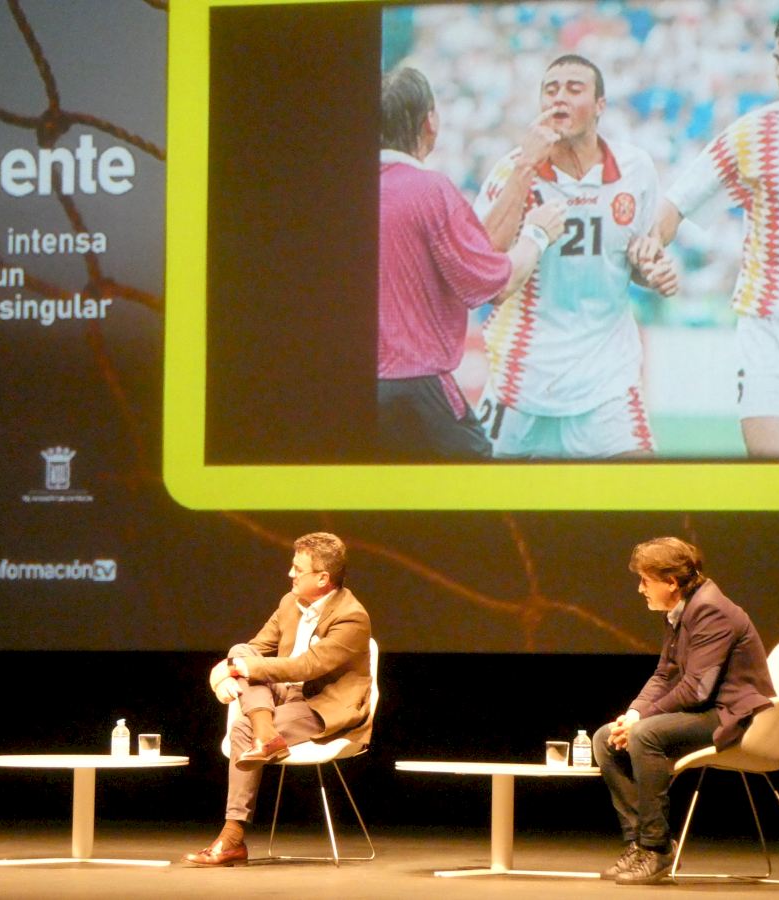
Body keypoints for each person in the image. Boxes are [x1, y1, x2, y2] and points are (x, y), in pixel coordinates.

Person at [636, 2, 779, 458]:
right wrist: (651, 251)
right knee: (773, 471)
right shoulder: (754, 133)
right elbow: (676, 203)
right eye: (778, 59)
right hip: (770, 325)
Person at [472, 54, 679, 459]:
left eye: (573, 89)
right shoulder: (512, 169)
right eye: (550, 90)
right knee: (483, 498)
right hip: (523, 380)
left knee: (646, 492)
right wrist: (526, 166)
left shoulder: (635, 169)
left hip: (607, 380)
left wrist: (652, 270)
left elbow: (637, 257)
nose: (559, 98)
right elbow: (484, 263)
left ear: (600, 105)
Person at [378, 65, 564, 460]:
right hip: (419, 390)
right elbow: (493, 283)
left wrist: (523, 169)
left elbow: (480, 250)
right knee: (477, 493)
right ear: (430, 121)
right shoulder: (429, 190)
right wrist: (537, 234)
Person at [593, 537, 775, 885]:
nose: (640, 589)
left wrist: (642, 722)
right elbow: (665, 674)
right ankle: (638, 843)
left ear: (672, 582)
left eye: (645, 580)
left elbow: (697, 689)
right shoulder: (680, 610)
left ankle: (656, 847)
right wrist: (634, 713)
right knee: (606, 738)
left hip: (731, 713)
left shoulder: (711, 610)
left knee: (645, 735)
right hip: (704, 709)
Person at [183, 532, 372, 867]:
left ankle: (232, 838)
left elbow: (307, 666)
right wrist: (226, 670)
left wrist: (234, 669)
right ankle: (267, 735)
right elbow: (253, 650)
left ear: (323, 578)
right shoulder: (289, 603)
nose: (290, 574)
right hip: (284, 696)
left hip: (323, 704)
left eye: (298, 569)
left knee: (242, 727)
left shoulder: (352, 616)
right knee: (241, 650)